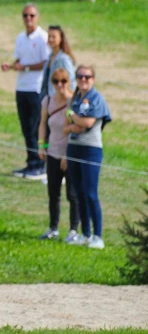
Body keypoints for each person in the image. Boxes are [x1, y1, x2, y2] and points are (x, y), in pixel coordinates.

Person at [0, 3, 49, 179]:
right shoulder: (20, 37)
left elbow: (46, 62)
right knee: (26, 128)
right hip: (21, 87)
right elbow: (20, 59)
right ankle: (31, 162)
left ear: (37, 17)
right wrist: (11, 66)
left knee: (37, 128)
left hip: (36, 88)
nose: (28, 19)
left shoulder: (43, 38)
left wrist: (25, 67)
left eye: (32, 16)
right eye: (25, 16)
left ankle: (41, 163)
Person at [65, 65, 111, 249]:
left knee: (91, 193)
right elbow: (66, 122)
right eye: (80, 76)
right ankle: (86, 234)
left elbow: (89, 122)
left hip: (90, 149)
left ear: (93, 78)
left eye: (87, 76)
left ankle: (98, 236)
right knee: (79, 192)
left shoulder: (96, 98)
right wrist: (74, 122)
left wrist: (73, 118)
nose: (83, 79)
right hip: (73, 148)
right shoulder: (76, 97)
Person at [37, 67, 80, 241]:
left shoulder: (73, 103)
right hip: (52, 152)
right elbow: (42, 124)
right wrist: (41, 145)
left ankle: (73, 230)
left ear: (69, 82)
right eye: (56, 82)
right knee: (53, 193)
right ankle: (53, 228)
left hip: (69, 154)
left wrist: (67, 155)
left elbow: (75, 131)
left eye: (63, 81)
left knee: (72, 194)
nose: (60, 85)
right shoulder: (47, 101)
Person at [41, 25, 76, 103]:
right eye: (49, 36)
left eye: (54, 37)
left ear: (60, 39)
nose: (50, 39)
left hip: (60, 101)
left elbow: (72, 81)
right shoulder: (49, 58)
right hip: (48, 101)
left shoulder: (64, 59)